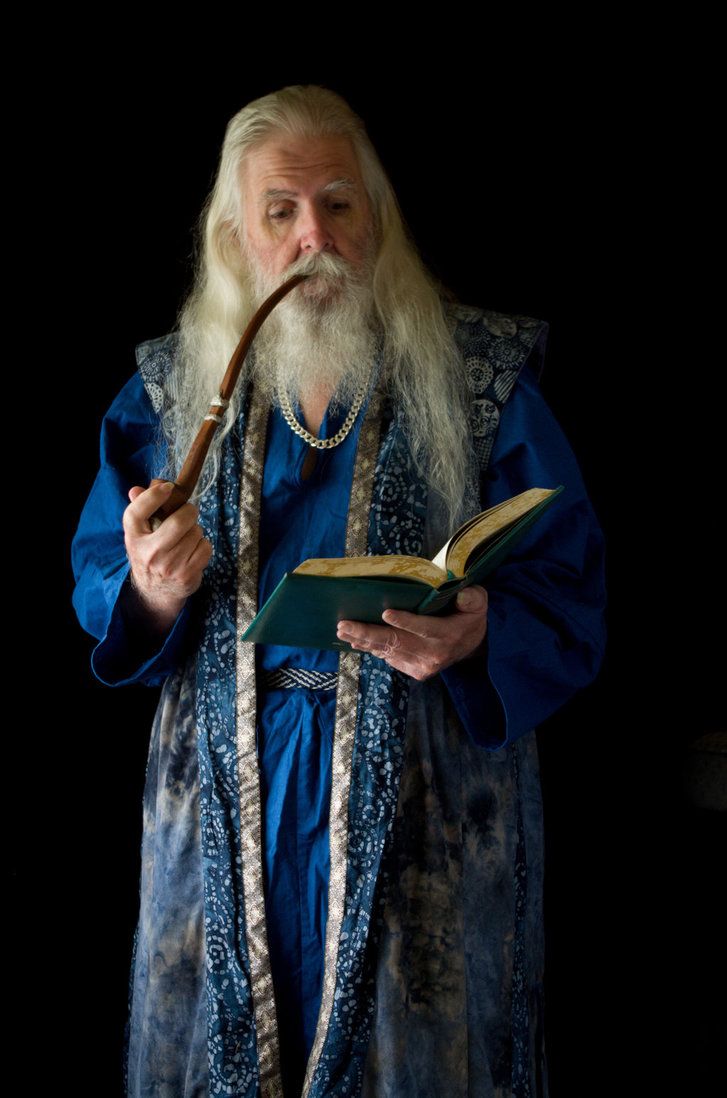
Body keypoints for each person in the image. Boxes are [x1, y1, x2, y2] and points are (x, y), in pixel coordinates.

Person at [71, 84, 606, 1098]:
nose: (314, 234)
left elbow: (569, 586)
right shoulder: (170, 389)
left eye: (338, 204)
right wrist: (147, 585)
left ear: (376, 216)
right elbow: (104, 581)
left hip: (429, 800)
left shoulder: (481, 376)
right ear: (236, 235)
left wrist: (483, 628)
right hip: (231, 801)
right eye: (281, 210)